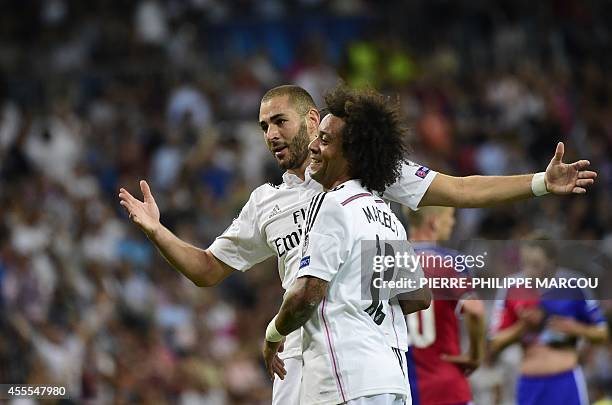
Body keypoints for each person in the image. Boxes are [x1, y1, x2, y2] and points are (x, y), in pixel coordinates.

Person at [118, 83, 597, 404]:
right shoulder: (266, 202)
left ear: (312, 120)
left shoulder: (366, 176)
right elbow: (206, 269)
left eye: (278, 122)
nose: (269, 135)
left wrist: (538, 182)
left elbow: (459, 189)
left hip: (350, 362)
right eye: (262, 126)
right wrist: (158, 232)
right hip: (296, 369)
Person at [263, 85, 423, 404]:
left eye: (324, 140)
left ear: (350, 152)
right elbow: (418, 297)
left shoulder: (332, 205)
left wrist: (272, 336)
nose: (314, 148)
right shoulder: (386, 214)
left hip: (348, 380)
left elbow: (308, 293)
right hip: (392, 380)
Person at [488, 235, 609, 405]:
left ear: (552, 261)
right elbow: (495, 343)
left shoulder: (574, 285)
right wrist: (523, 326)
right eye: (525, 264)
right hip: (530, 384)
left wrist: (574, 328)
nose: (529, 271)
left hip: (566, 381)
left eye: (536, 264)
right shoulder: (511, 288)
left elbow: (602, 333)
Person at [403, 206, 486, 405]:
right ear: (434, 221)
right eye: (449, 216)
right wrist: (475, 355)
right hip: (447, 385)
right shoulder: (450, 261)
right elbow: (475, 311)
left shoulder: (386, 264)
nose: (453, 222)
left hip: (403, 388)